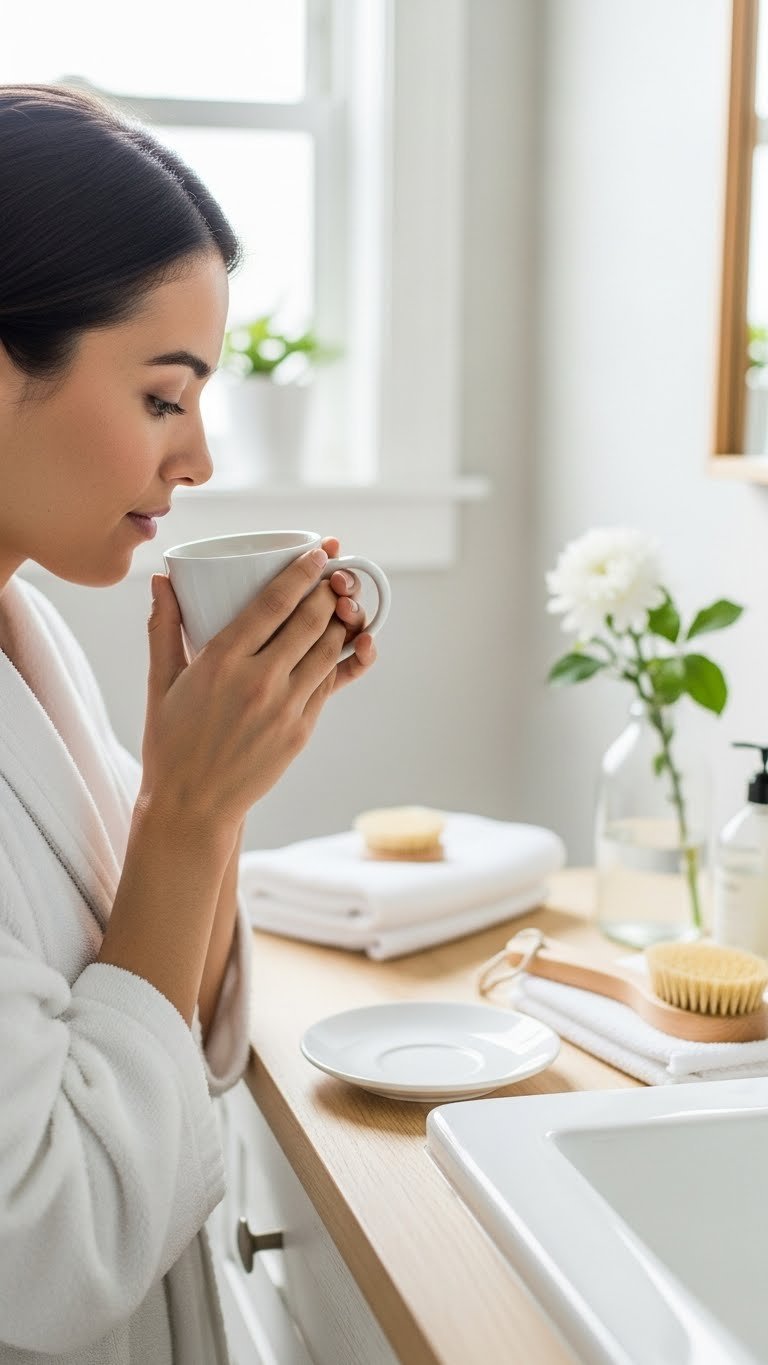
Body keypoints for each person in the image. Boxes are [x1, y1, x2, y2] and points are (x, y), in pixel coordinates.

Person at [0, 84, 376, 1364]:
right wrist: (190, 807)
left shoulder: (28, 636)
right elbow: (44, 1247)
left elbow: (161, 1002)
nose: (199, 458)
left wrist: (218, 764)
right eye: (165, 398)